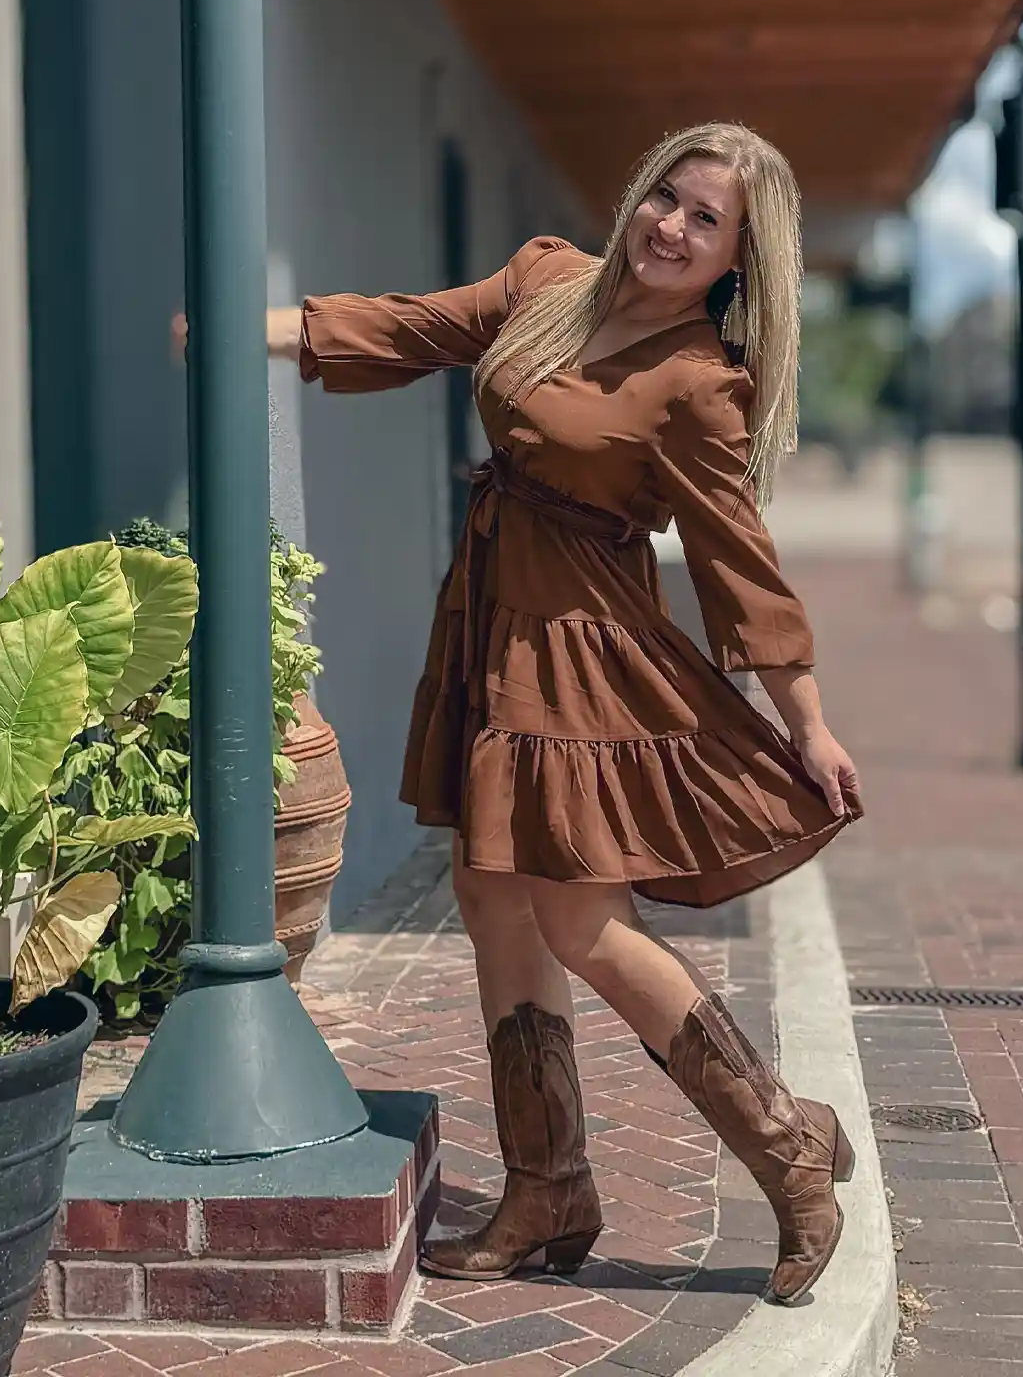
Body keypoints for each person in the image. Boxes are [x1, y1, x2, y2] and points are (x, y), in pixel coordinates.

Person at [274, 120, 864, 1305]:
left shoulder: (699, 383)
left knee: (582, 921)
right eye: (665, 196)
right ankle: (549, 1187)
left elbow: (738, 559)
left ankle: (785, 1151)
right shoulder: (548, 281)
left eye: (706, 220)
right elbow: (415, 327)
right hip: (494, 619)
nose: (671, 227)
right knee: (491, 896)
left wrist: (806, 717)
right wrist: (266, 334)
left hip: (586, 652)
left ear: (737, 260)